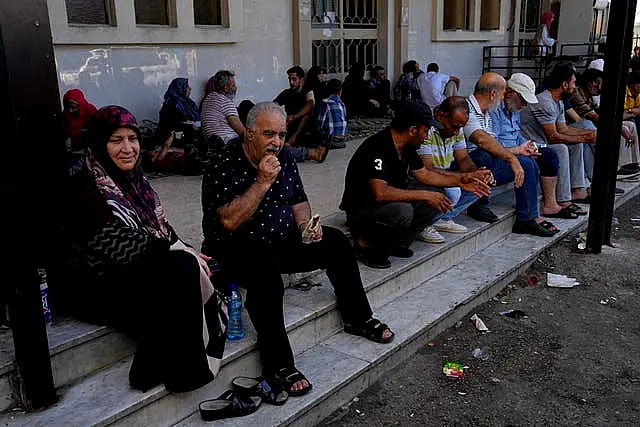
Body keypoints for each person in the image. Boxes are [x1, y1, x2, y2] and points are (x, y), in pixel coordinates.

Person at [201, 102, 394, 397]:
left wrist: (306, 226)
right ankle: (277, 365)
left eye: (281, 134)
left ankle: (357, 317)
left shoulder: (284, 156)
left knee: (337, 243)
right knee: (265, 273)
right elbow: (228, 221)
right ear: (249, 133)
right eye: (269, 134)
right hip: (234, 250)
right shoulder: (223, 162)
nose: (277, 142)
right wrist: (262, 182)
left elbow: (298, 200)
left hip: (281, 241)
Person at [61, 106, 224, 393]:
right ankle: (168, 369)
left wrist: (186, 248)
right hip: (95, 283)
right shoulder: (84, 186)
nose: (128, 148)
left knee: (205, 263)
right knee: (183, 268)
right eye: (116, 140)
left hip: (132, 271)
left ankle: (166, 359)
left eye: (132, 139)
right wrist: (179, 252)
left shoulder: (137, 181)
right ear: (99, 143)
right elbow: (113, 243)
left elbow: (161, 228)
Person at [340, 102, 492, 269]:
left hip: (385, 205)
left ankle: (397, 243)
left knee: (437, 196)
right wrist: (425, 195)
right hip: (362, 211)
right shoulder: (377, 146)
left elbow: (426, 175)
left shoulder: (406, 148)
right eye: (425, 130)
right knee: (404, 210)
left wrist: (463, 179)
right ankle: (368, 248)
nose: (427, 136)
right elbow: (380, 193)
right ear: (412, 130)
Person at [463, 72, 557, 236]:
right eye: (501, 94)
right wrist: (514, 156)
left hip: (487, 161)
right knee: (488, 156)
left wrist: (524, 149)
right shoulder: (468, 109)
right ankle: (479, 204)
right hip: (468, 166)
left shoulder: (486, 111)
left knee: (536, 159)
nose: (501, 99)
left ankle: (527, 219)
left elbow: (498, 142)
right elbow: (483, 142)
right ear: (494, 94)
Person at [489, 73, 565, 229]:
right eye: (523, 100)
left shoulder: (514, 110)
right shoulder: (494, 111)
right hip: (498, 157)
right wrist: (519, 150)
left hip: (514, 151)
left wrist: (528, 146)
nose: (524, 105)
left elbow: (517, 135)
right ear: (511, 94)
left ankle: (550, 204)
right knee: (526, 163)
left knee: (549, 154)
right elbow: (492, 146)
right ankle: (527, 218)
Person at [520, 64, 596, 212]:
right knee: (561, 148)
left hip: (543, 142)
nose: (575, 87)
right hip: (531, 143)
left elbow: (564, 129)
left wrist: (587, 135)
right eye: (573, 83)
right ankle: (563, 199)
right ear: (564, 84)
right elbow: (554, 137)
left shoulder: (558, 101)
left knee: (576, 144)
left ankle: (578, 190)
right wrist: (586, 138)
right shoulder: (545, 101)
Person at [416, 97, 489, 243]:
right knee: (447, 189)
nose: (457, 132)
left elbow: (463, 159)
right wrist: (461, 178)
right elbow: (427, 170)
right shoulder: (426, 129)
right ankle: (423, 224)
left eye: (460, 127)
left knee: (480, 185)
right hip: (425, 178)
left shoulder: (457, 129)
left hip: (443, 175)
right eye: (454, 126)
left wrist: (475, 175)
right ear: (440, 115)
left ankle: (441, 219)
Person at [572, 68, 640, 180]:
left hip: (586, 126)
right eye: (599, 83)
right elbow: (594, 116)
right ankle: (613, 169)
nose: (601, 87)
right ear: (590, 84)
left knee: (629, 125)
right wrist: (618, 126)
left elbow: (601, 113)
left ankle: (628, 163)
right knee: (602, 129)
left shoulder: (590, 98)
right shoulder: (577, 95)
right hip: (576, 128)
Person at [147, 77, 206, 175]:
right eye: (186, 86)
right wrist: (190, 126)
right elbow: (173, 126)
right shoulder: (169, 107)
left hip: (186, 140)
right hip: (170, 141)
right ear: (180, 89)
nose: (190, 89)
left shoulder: (189, 104)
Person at [274, 66, 327, 162]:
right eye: (289, 79)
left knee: (307, 115)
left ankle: (294, 141)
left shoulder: (308, 91)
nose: (291, 82)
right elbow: (274, 105)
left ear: (301, 80)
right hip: (290, 127)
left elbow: (310, 105)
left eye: (294, 79)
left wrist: (294, 117)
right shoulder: (287, 93)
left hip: (305, 129)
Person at [201, 70, 244, 148]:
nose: (236, 88)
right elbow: (240, 130)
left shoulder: (208, 99)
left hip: (211, 144)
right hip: (227, 144)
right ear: (226, 88)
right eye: (233, 85)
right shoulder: (225, 101)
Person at [317, 78, 348, 149]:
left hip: (331, 139)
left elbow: (320, 122)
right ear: (340, 91)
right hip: (342, 140)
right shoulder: (342, 104)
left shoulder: (325, 102)